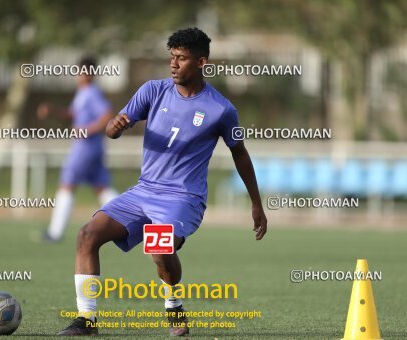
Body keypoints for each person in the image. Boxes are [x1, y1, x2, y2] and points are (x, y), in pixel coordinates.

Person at [57, 27, 268, 336]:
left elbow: (240, 154)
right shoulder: (153, 91)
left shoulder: (222, 109)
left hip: (184, 198)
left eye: (181, 58)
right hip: (144, 191)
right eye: (171, 57)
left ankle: (173, 304)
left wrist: (256, 203)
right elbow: (114, 129)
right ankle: (87, 320)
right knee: (87, 235)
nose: (173, 64)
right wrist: (114, 128)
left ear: (201, 63)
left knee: (158, 247)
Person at [37, 57, 118, 243]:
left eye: (81, 72)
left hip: (85, 148)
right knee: (102, 188)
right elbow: (73, 114)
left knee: (66, 185)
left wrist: (87, 130)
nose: (78, 75)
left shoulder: (91, 93)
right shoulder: (83, 93)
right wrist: (54, 111)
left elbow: (107, 115)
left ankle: (55, 233)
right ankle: (134, 223)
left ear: (89, 74)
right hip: (93, 148)